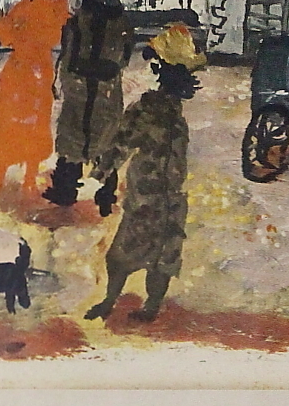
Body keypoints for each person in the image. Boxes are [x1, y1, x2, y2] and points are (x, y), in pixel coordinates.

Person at [85, 24, 205, 323]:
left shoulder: (148, 109)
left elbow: (120, 144)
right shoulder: (175, 115)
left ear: (161, 70)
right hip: (170, 200)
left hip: (146, 199)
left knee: (122, 256)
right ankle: (150, 306)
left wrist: (102, 176)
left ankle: (111, 302)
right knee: (162, 256)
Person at [0, 0, 72, 197]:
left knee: (5, 125)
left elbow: (6, 35)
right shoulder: (62, 8)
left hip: (20, 73)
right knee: (35, 126)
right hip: (42, 72)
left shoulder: (30, 6)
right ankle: (29, 180)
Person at [45, 0, 133, 207]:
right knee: (73, 138)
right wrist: (64, 78)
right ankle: (66, 190)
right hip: (82, 86)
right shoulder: (81, 17)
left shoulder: (120, 21)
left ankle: (103, 194)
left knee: (105, 138)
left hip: (104, 87)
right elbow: (69, 51)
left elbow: (123, 56)